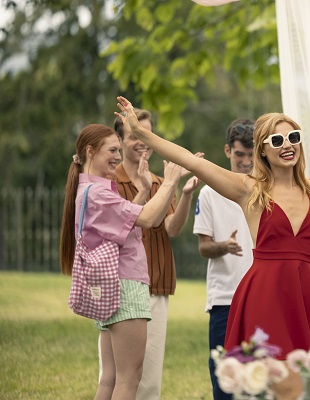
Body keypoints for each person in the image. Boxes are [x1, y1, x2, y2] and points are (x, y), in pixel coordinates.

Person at [115, 80, 310, 359]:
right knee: (265, 380)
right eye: (277, 141)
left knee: (299, 382)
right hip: (263, 294)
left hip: (303, 294)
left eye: (293, 137)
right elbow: (188, 159)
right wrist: (141, 133)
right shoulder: (249, 190)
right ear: (263, 152)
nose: (288, 145)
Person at [59, 124, 182, 400]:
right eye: (112, 150)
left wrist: (145, 189)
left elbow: (124, 226)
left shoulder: (89, 191)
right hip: (126, 287)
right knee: (129, 379)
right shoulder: (100, 194)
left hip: (112, 288)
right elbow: (148, 219)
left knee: (110, 379)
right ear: (90, 151)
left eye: (118, 150)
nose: (117, 156)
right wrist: (170, 182)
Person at [110, 108, 201, 400]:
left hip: (156, 284)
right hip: (120, 285)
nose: (142, 142)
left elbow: (172, 228)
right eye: (134, 135)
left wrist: (185, 193)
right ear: (120, 140)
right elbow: (130, 225)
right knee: (116, 375)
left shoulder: (162, 183)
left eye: (146, 135)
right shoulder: (110, 181)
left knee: (149, 379)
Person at [193, 118, 254, 400]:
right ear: (227, 151)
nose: (246, 162)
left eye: (251, 155)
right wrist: (225, 246)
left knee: (259, 377)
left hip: (260, 296)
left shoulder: (266, 190)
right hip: (225, 300)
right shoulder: (209, 193)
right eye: (240, 154)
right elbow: (203, 247)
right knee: (225, 379)